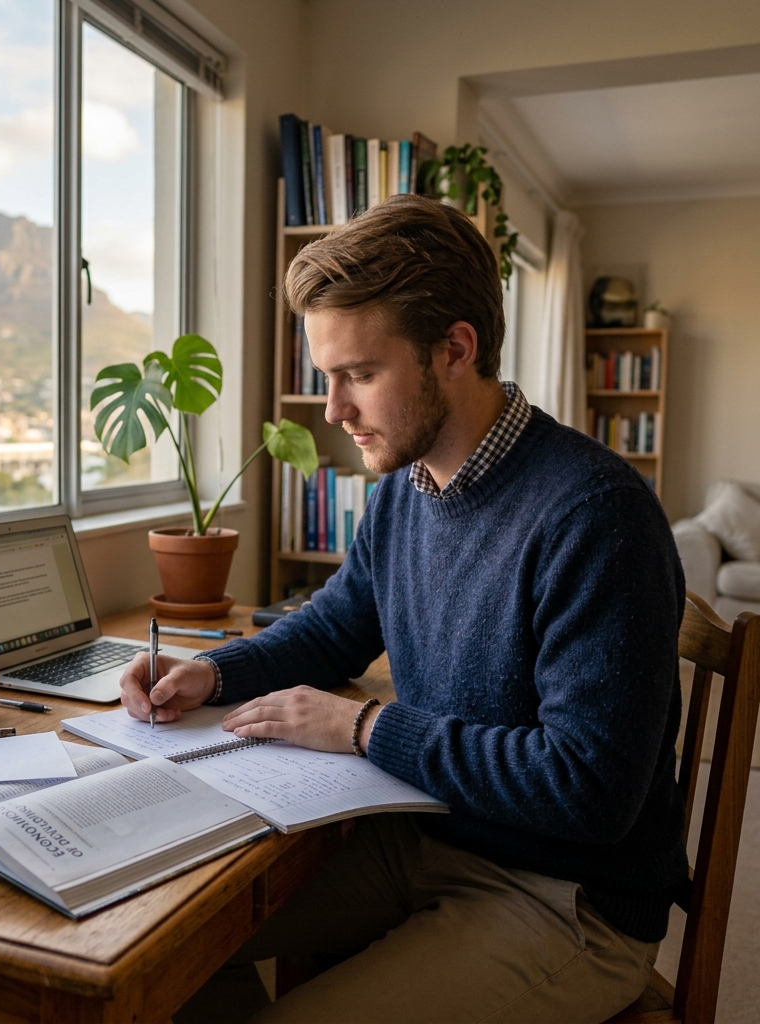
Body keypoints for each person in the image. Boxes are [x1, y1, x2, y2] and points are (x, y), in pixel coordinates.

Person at [119, 194, 687, 1024]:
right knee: (158, 943)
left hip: (567, 899)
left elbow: (588, 791)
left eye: (358, 375)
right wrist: (211, 671)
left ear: (455, 349)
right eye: (328, 378)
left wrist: (364, 730)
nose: (333, 412)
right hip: (427, 834)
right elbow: (335, 627)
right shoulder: (405, 492)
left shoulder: (596, 515)